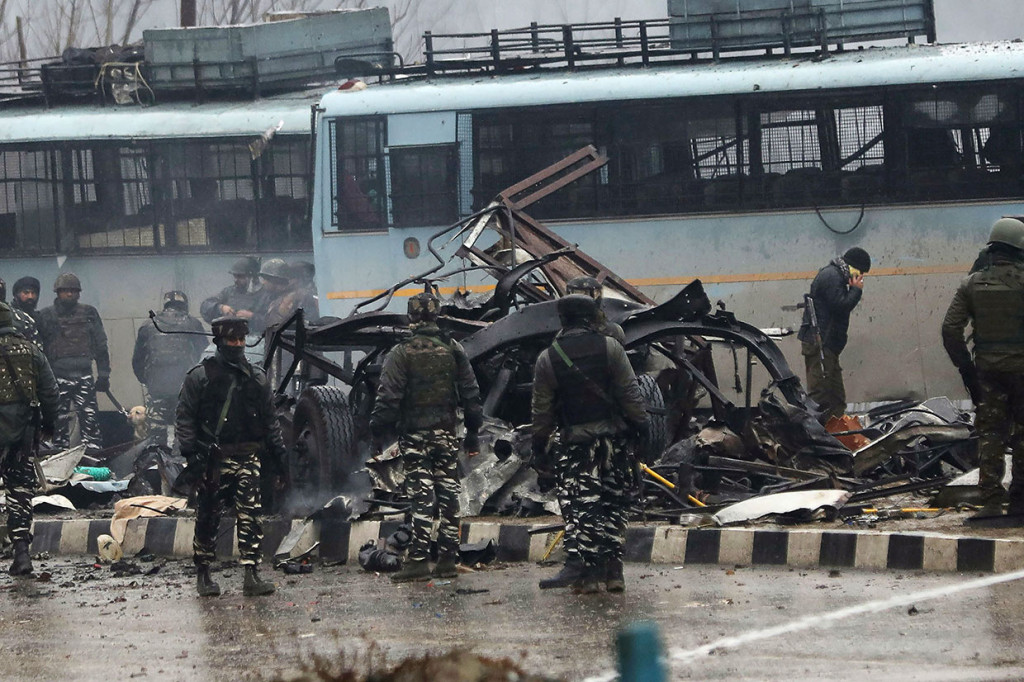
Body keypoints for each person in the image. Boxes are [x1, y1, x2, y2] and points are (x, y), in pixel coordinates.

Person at [531, 294, 648, 594]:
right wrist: (641, 429)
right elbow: (631, 395)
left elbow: (541, 412)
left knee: (583, 509)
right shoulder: (611, 348)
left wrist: (539, 448)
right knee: (614, 505)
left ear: (563, 319)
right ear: (591, 317)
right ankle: (614, 572)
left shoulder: (548, 357)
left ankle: (591, 574)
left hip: (576, 446)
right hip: (615, 443)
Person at [369, 291, 483, 583]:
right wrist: (472, 433)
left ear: (411, 317)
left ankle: (418, 561)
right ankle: (447, 558)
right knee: (448, 495)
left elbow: (388, 399)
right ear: (436, 315)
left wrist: (377, 434)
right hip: (446, 434)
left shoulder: (401, 353)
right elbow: (471, 394)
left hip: (415, 436)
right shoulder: (452, 348)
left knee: (421, 496)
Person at [175, 316, 286, 597]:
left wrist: (280, 461)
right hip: (212, 460)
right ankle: (204, 573)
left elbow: (271, 422)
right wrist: (192, 456)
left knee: (251, 517)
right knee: (208, 517)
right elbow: (185, 418)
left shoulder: (257, 377)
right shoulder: (200, 376)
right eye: (231, 340)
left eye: (240, 340)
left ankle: (251, 573)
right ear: (219, 342)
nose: (237, 345)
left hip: (248, 457)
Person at [942, 217, 1024, 517]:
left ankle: (990, 501)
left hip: (988, 372)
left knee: (991, 434)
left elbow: (950, 329)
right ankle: (1020, 501)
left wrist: (968, 370)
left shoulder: (972, 283)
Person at [0, 302, 58, 576]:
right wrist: (49, 423)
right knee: (20, 492)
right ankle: (22, 553)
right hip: (22, 435)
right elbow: (50, 390)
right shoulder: (31, 350)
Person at [34, 273, 109, 451]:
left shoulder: (89, 312)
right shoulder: (45, 316)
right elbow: (39, 349)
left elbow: (100, 344)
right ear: (57, 292)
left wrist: (104, 374)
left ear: (79, 293)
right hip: (56, 378)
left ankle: (94, 461)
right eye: (65, 291)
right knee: (56, 425)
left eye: (73, 291)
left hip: (84, 375)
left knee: (90, 425)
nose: (69, 294)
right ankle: (57, 461)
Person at [797, 247, 871, 422]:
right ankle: (818, 433)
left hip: (826, 344)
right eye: (859, 273)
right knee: (821, 393)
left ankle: (838, 430)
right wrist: (856, 290)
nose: (860, 277)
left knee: (835, 394)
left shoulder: (835, 275)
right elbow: (840, 305)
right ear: (853, 267)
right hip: (820, 344)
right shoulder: (832, 276)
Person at [132, 291, 207, 433]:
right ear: (184, 306)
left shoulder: (148, 324)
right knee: (185, 429)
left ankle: (158, 452)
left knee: (156, 432)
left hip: (157, 387)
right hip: (185, 387)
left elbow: (137, 360)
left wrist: (147, 380)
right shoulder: (193, 323)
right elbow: (204, 355)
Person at [199, 257, 261, 325]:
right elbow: (205, 306)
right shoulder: (229, 292)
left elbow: (270, 322)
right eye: (235, 276)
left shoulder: (265, 295)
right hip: (228, 333)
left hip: (253, 334)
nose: (236, 280)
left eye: (240, 277)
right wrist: (221, 308)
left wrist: (252, 316)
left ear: (252, 277)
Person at [565, 275, 626, 344]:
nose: (577, 300)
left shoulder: (613, 330)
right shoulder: (614, 330)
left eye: (582, 294)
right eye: (574, 294)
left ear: (596, 293)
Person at [0, 278, 40, 349]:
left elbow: (37, 351)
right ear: (16, 295)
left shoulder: (29, 320)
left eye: (33, 293)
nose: (30, 296)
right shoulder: (11, 316)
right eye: (26, 293)